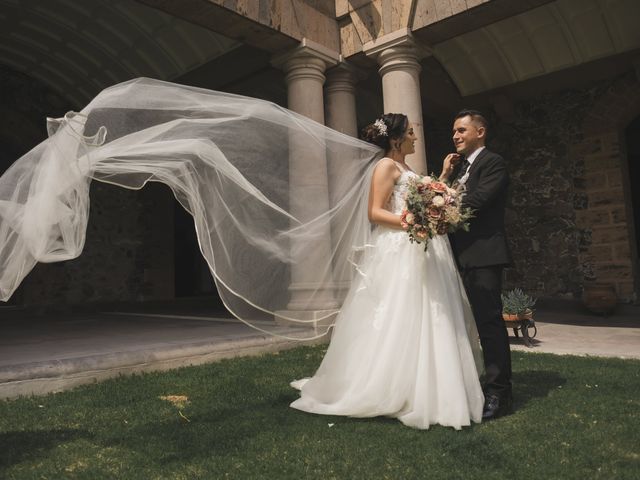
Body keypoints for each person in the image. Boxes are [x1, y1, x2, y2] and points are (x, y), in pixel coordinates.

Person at [290, 113, 485, 430]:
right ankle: (386, 385)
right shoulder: (385, 167)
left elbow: (421, 199)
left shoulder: (406, 168)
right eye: (409, 133)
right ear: (396, 140)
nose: (414, 137)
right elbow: (376, 212)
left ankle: (433, 387)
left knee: (431, 312)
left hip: (422, 246)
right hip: (399, 248)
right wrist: (414, 222)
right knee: (399, 312)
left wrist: (445, 178)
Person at [440, 109, 513, 420]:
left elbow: (478, 200)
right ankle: (472, 382)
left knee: (489, 323)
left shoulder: (493, 163)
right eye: (454, 131)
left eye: (461, 130)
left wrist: (438, 207)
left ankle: (499, 392)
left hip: (484, 255)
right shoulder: (459, 170)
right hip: (458, 255)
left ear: (480, 132)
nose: (455, 136)